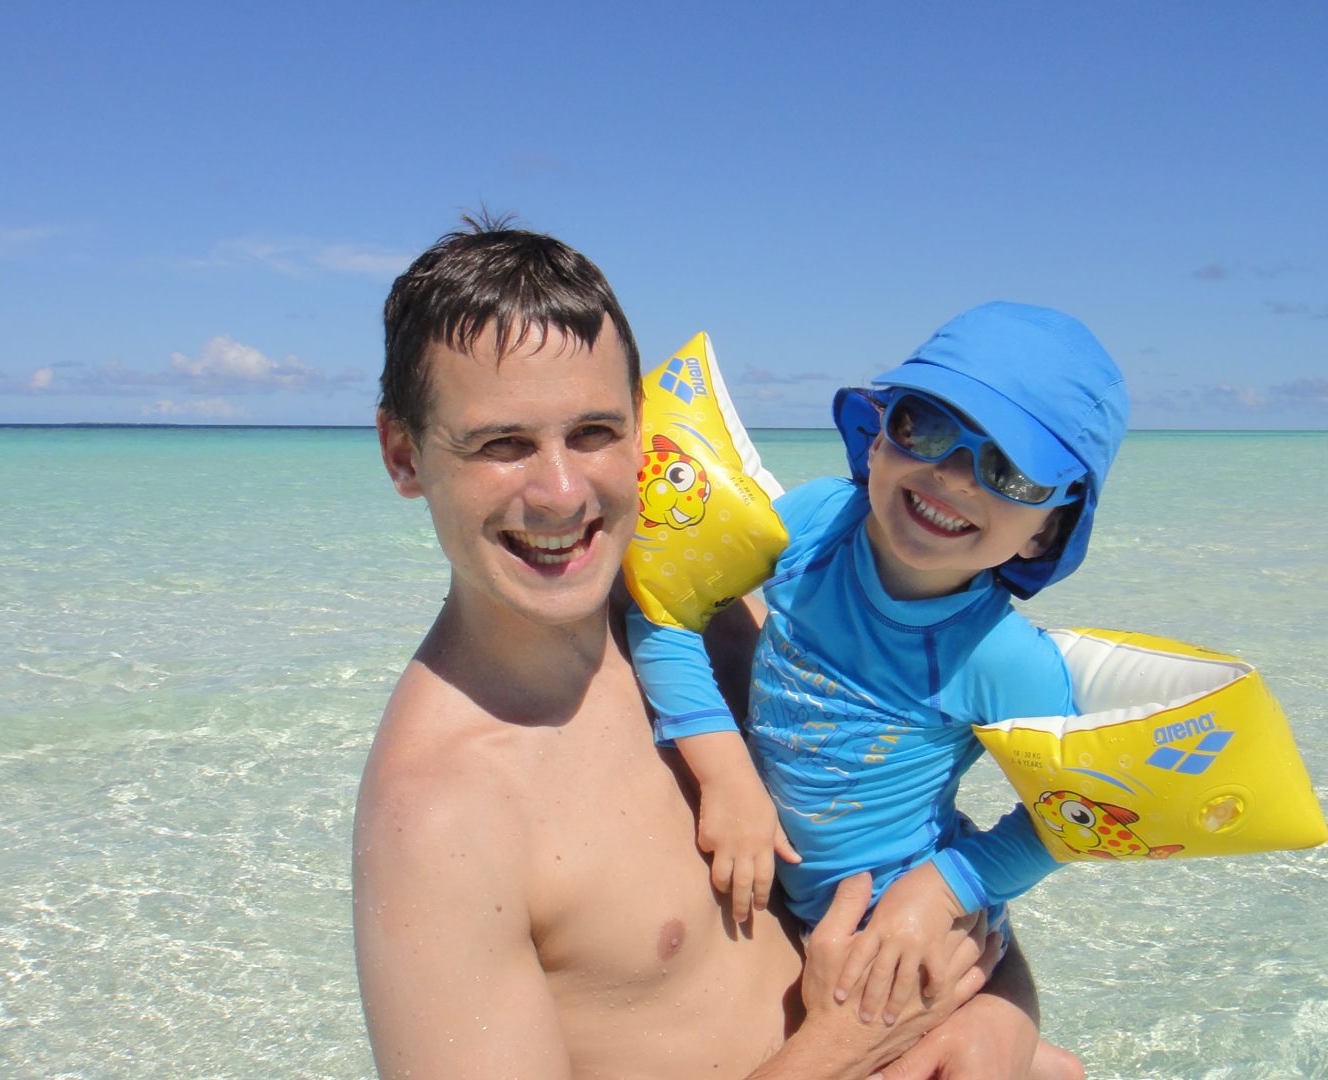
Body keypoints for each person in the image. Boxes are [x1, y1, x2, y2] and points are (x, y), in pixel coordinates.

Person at [352, 218, 1082, 1078]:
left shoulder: (724, 621)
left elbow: (910, 881)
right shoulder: (441, 818)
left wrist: (998, 1024)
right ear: (404, 454)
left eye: (593, 432)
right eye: (502, 444)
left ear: (641, 430)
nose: (558, 493)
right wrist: (840, 1048)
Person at [628, 302, 1127, 1027]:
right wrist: (725, 772)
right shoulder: (816, 525)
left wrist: (949, 888)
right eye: (924, 426)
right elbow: (666, 607)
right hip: (793, 902)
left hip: (903, 929)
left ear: (1045, 530)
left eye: (1009, 471)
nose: (952, 476)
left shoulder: (1004, 659)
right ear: (878, 439)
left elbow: (1078, 814)